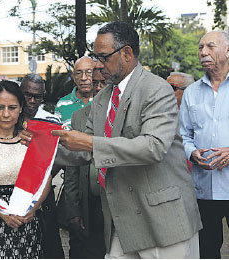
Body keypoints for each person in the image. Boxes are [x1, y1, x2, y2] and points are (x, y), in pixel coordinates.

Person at [21, 21, 202, 258]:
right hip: (121, 221)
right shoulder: (104, 97)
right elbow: (82, 152)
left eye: (103, 57)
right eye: (95, 57)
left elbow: (153, 147)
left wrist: (90, 143)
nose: (97, 65)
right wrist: (39, 144)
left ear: (126, 53)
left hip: (163, 222)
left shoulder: (156, 89)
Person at [0, 80, 51, 258]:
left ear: (21, 107)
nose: (6, 114)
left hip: (28, 221)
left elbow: (46, 178)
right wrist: (2, 214)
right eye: (0, 107)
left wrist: (34, 209)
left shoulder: (31, 141)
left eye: (12, 107)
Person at [180, 31, 229, 259]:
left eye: (210, 46)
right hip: (203, 190)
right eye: (200, 48)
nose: (203, 52)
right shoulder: (191, 93)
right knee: (206, 251)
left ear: (228, 51)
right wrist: (192, 153)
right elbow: (183, 135)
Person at [20, 73, 64, 258]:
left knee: (49, 246)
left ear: (42, 97)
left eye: (36, 97)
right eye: (27, 95)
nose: (31, 100)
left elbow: (59, 158)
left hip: (43, 192)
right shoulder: (10, 117)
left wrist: (44, 177)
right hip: (15, 190)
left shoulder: (52, 121)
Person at [64, 70, 106, 259]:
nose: (98, 88)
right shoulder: (79, 117)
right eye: (95, 83)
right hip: (89, 204)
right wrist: (73, 210)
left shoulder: (123, 114)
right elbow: (72, 168)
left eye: (103, 83)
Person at [55, 56, 95, 129]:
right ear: (73, 77)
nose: (83, 78)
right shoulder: (62, 104)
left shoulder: (104, 101)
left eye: (89, 72)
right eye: (78, 73)